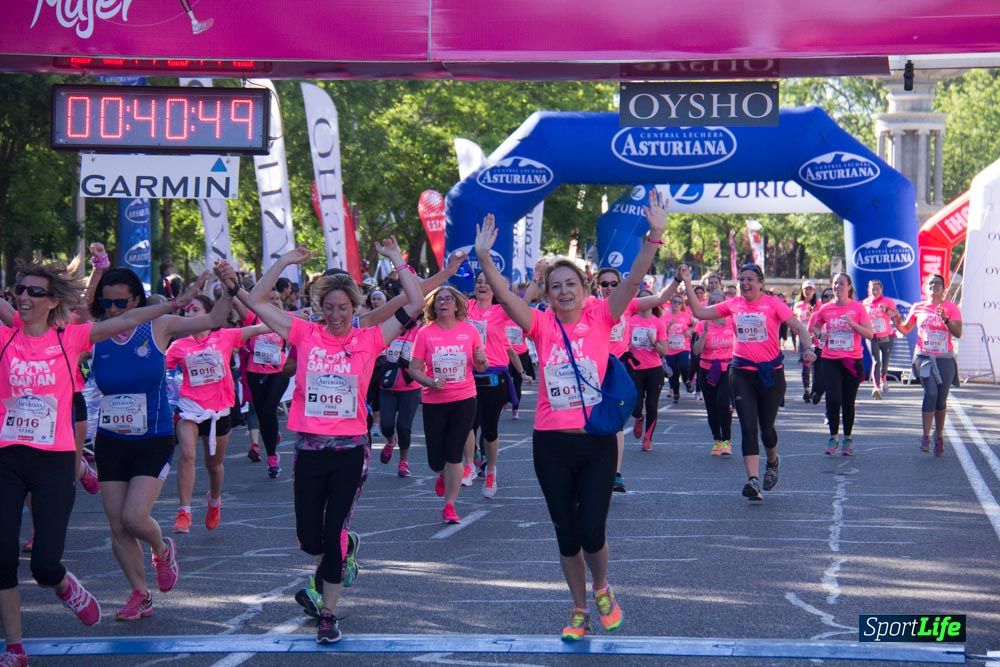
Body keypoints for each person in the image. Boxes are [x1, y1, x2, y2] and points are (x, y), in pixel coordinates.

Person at [473, 188, 668, 641]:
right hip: (552, 442)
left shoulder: (603, 315)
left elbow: (635, 280)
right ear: (550, 291)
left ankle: (602, 587)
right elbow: (503, 295)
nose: (563, 292)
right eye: (555, 286)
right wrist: (485, 259)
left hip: (596, 439)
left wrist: (653, 235)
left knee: (591, 528)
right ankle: (579, 608)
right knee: (565, 532)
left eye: (571, 285)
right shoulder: (539, 323)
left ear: (584, 288)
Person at [216, 238, 424, 644]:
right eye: (328, 308)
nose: (335, 315)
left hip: (349, 451)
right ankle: (344, 549)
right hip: (310, 449)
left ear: (355, 307)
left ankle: (329, 613)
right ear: (319, 308)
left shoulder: (369, 339)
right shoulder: (304, 333)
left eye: (343, 308)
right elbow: (257, 301)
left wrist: (398, 260)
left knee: (330, 540)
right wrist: (283, 262)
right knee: (310, 537)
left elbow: (415, 301)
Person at [0, 261, 203, 666]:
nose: (23, 297)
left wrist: (174, 304)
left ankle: (64, 584)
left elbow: (129, 317)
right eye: (19, 290)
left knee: (43, 564)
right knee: (3, 560)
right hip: (8, 456)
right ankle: (16, 650)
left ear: (53, 301)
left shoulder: (71, 337)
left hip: (54, 461)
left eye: (34, 292)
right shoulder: (6, 337)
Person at [89, 267, 232, 621]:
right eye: (106, 302)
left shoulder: (158, 326)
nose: (112, 309)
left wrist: (229, 288)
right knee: (117, 524)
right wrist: (95, 270)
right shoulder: (93, 334)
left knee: (135, 517)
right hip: (111, 439)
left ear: (136, 300)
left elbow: (214, 317)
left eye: (121, 302)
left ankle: (161, 548)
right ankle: (140, 594)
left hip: (152, 437)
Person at [678, 263, 815, 501]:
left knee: (767, 429)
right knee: (748, 425)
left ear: (761, 283)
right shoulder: (733, 304)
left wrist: (809, 349)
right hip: (741, 372)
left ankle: (772, 462)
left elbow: (799, 328)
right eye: (742, 279)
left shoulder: (773, 305)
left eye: (750, 279)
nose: (745, 283)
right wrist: (688, 283)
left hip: (770, 372)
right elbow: (700, 312)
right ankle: (752, 480)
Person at [166, 295, 269, 533]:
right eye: (187, 312)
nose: (189, 315)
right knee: (188, 456)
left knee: (214, 465)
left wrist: (297, 320)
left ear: (209, 314)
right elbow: (157, 368)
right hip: (190, 408)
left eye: (194, 310)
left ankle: (214, 502)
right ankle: (184, 512)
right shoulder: (179, 345)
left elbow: (260, 327)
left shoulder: (225, 336)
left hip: (219, 411)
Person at [407, 286, 487, 520]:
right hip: (434, 400)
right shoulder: (425, 333)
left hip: (464, 398)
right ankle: (442, 474)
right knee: (435, 460)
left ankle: (449, 505)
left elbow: (481, 364)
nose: (444, 303)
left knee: (454, 453)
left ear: (457, 305)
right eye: (439, 299)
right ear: (433, 305)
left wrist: (482, 361)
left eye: (448, 299)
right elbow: (413, 369)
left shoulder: (469, 331)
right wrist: (430, 382)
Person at [892, 274, 962, 456]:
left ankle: (939, 436)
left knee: (941, 399)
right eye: (930, 283)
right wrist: (897, 322)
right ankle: (925, 436)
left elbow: (959, 333)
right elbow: (906, 329)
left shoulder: (951, 308)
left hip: (945, 358)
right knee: (930, 392)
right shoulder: (918, 307)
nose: (934, 286)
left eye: (937, 283)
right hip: (923, 356)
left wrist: (946, 319)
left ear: (943, 287)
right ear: (925, 287)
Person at [465, 272, 521, 498]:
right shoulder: (465, 307)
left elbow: (522, 305)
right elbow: (438, 299)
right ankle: (469, 464)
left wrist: (536, 280)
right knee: (467, 423)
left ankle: (490, 470)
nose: (482, 285)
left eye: (487, 282)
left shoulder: (501, 311)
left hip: (494, 377)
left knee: (489, 429)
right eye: (479, 282)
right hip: (467, 375)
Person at [810, 274, 873, 456]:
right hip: (830, 359)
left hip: (852, 360)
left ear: (849, 287)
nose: (838, 286)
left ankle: (847, 438)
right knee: (833, 398)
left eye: (842, 283)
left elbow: (869, 334)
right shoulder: (826, 309)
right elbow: (815, 326)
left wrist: (853, 324)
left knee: (847, 401)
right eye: (835, 283)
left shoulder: (858, 308)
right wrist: (820, 335)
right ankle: (833, 437)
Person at [236, 287, 291, 478]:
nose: (275, 301)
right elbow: (238, 302)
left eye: (277, 298)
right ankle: (271, 435)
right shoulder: (253, 318)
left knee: (268, 410)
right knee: (262, 413)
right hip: (255, 371)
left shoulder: (285, 318)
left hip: (279, 372)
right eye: (270, 298)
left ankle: (272, 457)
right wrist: (229, 288)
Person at [378, 316, 423, 477]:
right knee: (386, 425)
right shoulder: (389, 331)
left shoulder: (420, 332)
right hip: (388, 386)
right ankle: (390, 441)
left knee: (404, 427)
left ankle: (403, 461)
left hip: (410, 387)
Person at [693, 290, 735, 456]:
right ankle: (716, 440)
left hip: (727, 368)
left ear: (725, 304)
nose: (716, 305)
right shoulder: (702, 323)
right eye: (713, 302)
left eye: (720, 302)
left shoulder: (732, 321)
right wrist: (704, 332)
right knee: (711, 408)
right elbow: (696, 351)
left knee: (723, 403)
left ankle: (726, 441)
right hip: (707, 369)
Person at [626, 290, 667, 451]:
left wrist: (654, 342)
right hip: (635, 369)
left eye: (647, 299)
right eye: (641, 299)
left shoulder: (658, 323)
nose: (644, 302)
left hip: (654, 370)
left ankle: (648, 438)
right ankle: (639, 417)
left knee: (652, 405)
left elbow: (664, 351)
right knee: (635, 406)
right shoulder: (630, 321)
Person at [863, 279, 898, 400]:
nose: (875, 291)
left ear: (881, 289)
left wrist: (886, 310)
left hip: (886, 337)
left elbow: (895, 314)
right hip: (872, 336)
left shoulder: (887, 301)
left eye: (877, 288)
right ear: (870, 290)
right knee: (876, 361)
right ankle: (876, 388)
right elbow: (861, 317)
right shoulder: (865, 303)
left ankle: (883, 378)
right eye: (873, 288)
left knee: (885, 363)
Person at [662, 295, 697, 404]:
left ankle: (686, 381)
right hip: (670, 349)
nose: (676, 304)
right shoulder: (665, 317)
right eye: (674, 302)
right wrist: (669, 326)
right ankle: (676, 393)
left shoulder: (686, 316)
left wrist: (689, 331)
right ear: (671, 303)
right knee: (673, 373)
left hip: (683, 347)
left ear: (682, 305)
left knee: (684, 366)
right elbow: (661, 333)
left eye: (679, 302)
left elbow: (696, 326)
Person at [793, 281, 818, 402]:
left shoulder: (819, 305)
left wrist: (813, 314)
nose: (807, 292)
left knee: (816, 366)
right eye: (805, 289)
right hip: (802, 339)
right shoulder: (797, 305)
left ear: (814, 291)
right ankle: (806, 389)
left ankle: (815, 389)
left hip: (815, 339)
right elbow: (793, 321)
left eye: (810, 289)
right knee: (806, 365)